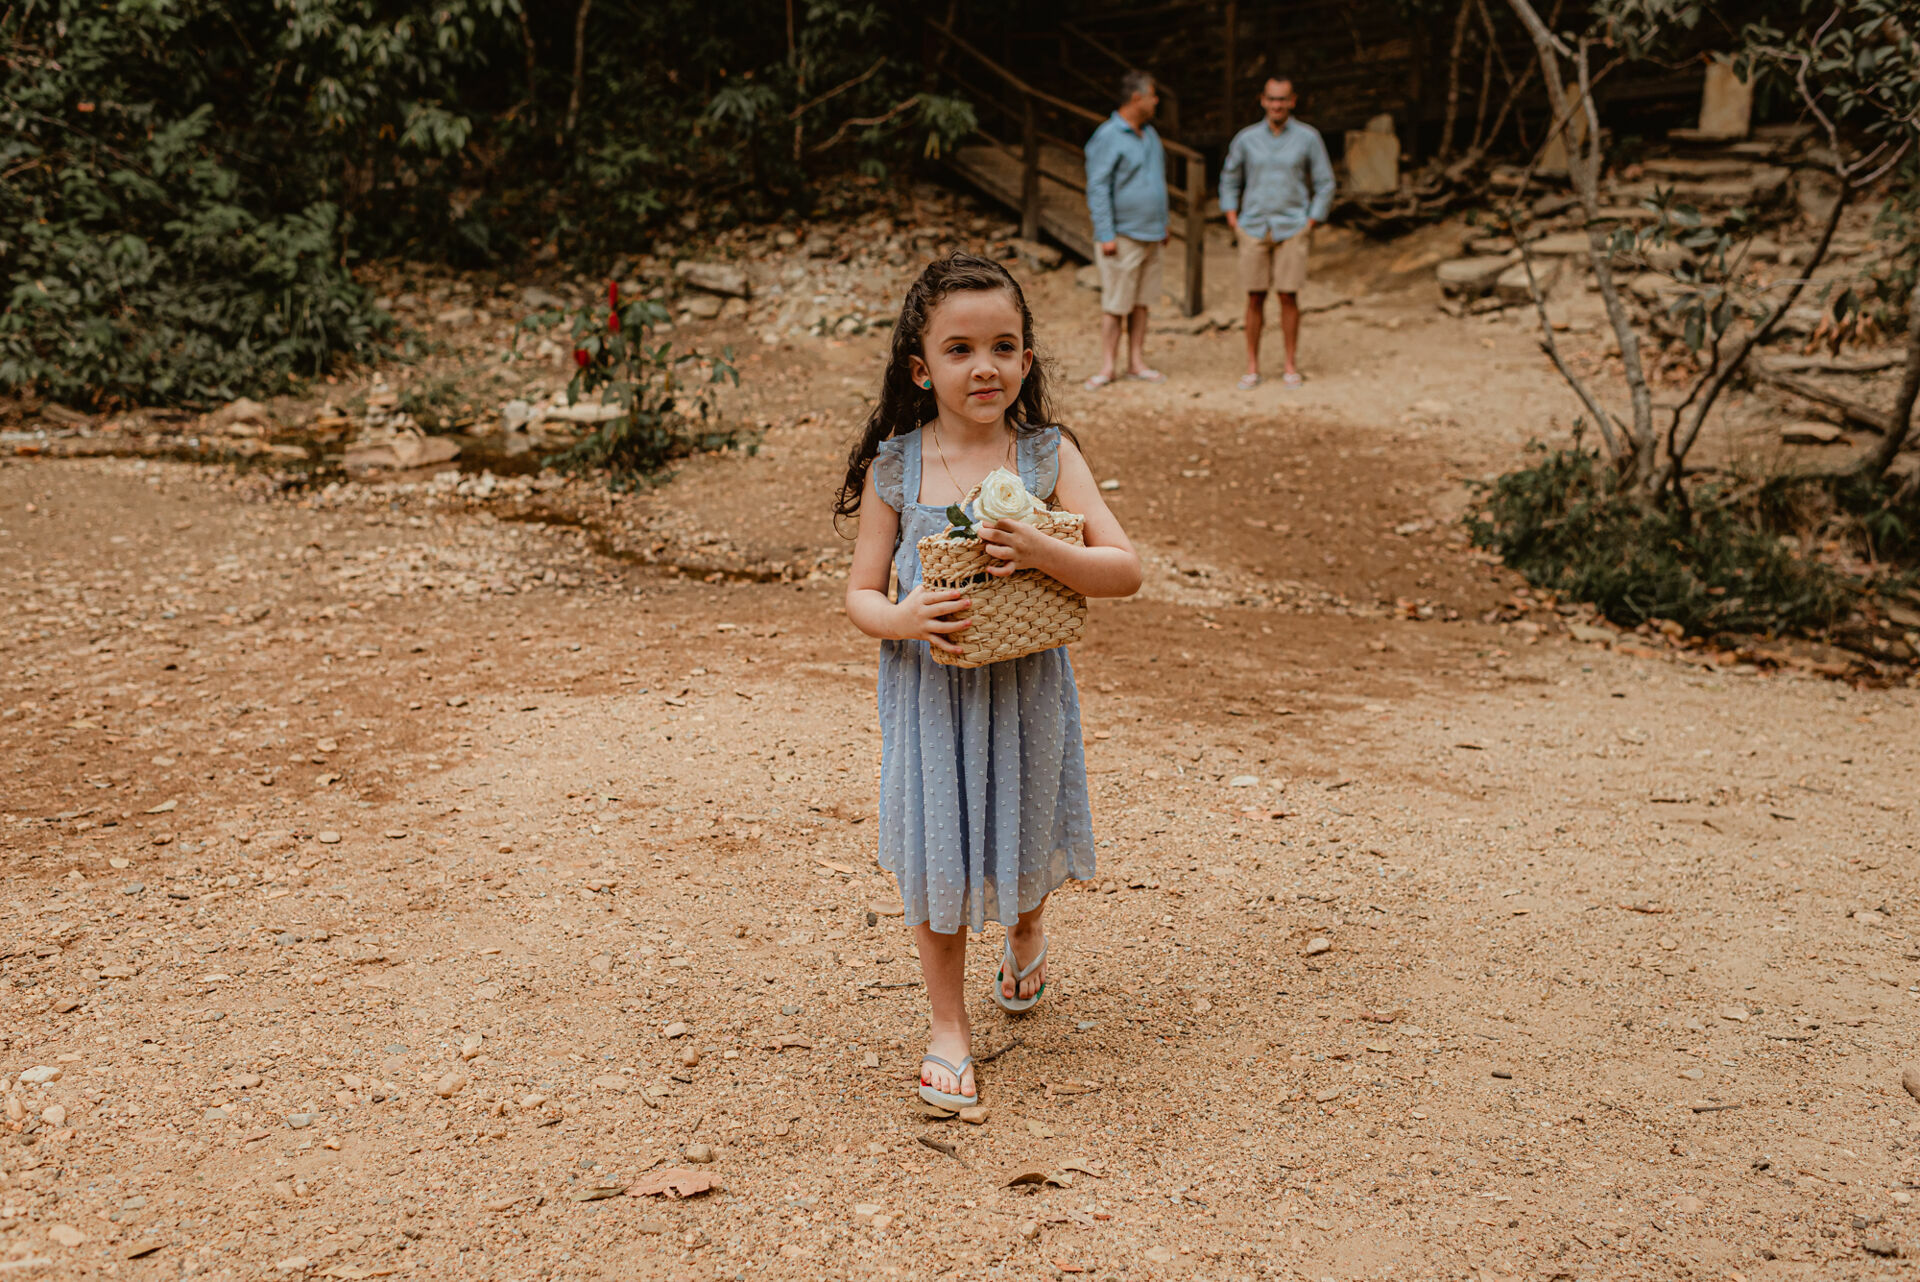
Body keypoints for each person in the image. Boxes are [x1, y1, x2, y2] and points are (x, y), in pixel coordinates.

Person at [836, 253, 1143, 1109]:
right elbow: (862, 594)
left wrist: (1047, 550)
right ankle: (948, 1030)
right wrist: (903, 618)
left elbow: (1125, 570)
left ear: (1027, 362)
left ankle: (1029, 926)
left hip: (1024, 690)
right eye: (961, 349)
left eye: (1003, 346)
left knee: (1020, 829)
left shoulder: (1047, 456)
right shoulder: (895, 468)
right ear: (920, 369)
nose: (985, 366)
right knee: (940, 850)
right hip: (930, 695)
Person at [1219, 77, 1335, 389]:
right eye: (1272, 99)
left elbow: (1325, 182)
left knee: (1288, 295)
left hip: (1292, 227)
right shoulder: (1246, 139)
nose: (1277, 105)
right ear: (1262, 100)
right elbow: (1230, 178)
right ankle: (1252, 367)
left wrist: (1312, 220)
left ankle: (1289, 365)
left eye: (1282, 99)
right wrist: (1232, 217)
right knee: (1254, 296)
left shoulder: (1308, 138)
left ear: (1293, 101)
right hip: (1254, 226)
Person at [1082, 69, 1169, 390]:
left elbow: (1156, 182)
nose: (1156, 100)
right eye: (1152, 94)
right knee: (1116, 304)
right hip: (1122, 236)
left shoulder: (1150, 135)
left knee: (1142, 302)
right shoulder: (1108, 136)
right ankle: (1108, 366)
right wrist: (1105, 234)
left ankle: (1136, 361)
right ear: (1137, 98)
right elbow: (1098, 187)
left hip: (1151, 234)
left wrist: (1163, 224)